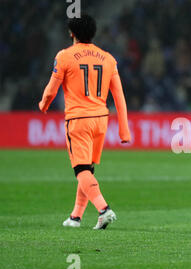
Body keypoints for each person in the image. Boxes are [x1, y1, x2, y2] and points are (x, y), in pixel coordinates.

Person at [38, 14, 131, 230]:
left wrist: (43, 104)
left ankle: (104, 209)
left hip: (78, 119)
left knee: (80, 170)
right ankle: (75, 217)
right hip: (100, 120)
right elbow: (119, 97)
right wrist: (124, 131)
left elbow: (52, 88)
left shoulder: (65, 56)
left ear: (72, 34)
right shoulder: (108, 58)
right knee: (87, 169)